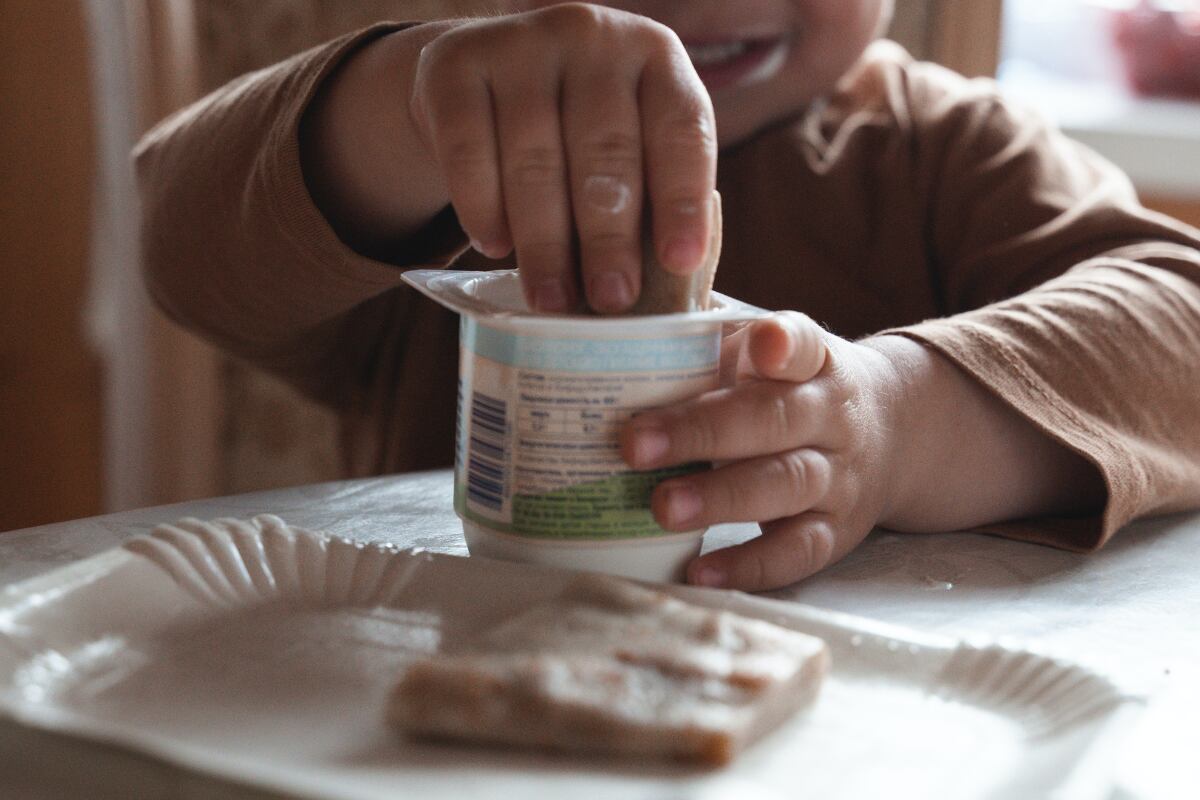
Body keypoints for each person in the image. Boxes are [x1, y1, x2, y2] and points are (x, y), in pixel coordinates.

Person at [135, 1, 1200, 591]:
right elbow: (176, 240)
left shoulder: (942, 151)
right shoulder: (447, 166)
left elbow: (1181, 318)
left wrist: (899, 421)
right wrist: (409, 111)